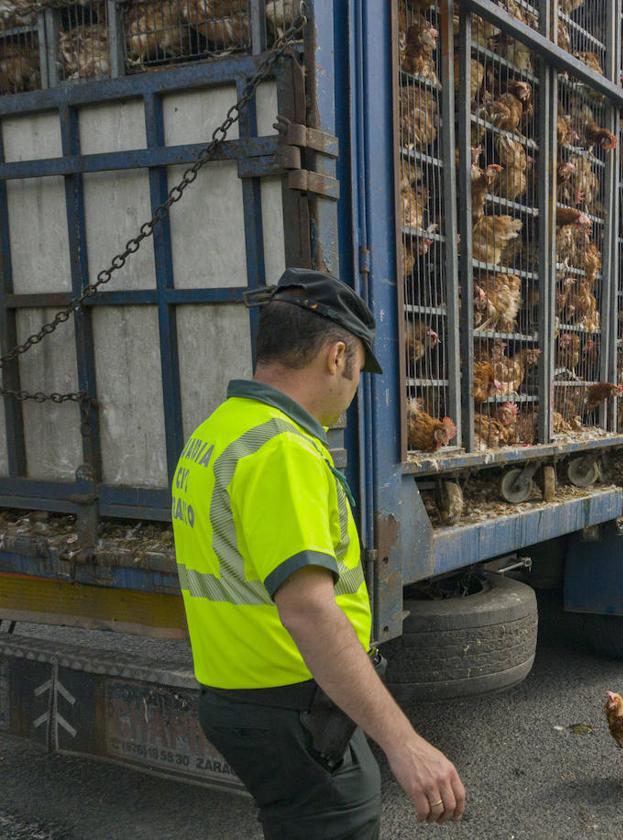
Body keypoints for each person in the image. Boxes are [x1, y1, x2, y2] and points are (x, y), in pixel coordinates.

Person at [171, 268, 465, 838]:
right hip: (295, 710)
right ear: (337, 356)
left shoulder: (219, 431)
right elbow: (309, 608)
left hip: (239, 697)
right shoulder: (284, 450)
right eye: (358, 369)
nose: (355, 390)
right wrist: (402, 742)